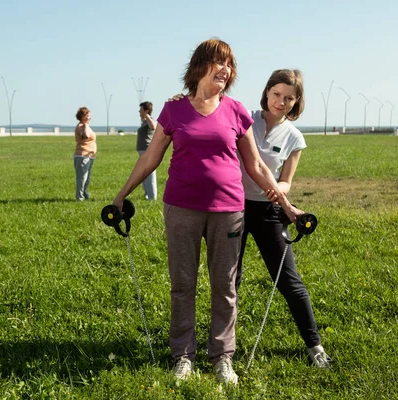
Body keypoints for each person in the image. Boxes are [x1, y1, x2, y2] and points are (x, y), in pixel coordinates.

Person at [111, 38, 302, 385]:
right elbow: (151, 158)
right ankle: (183, 356)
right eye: (219, 62)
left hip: (229, 209)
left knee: (225, 286)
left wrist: (286, 204)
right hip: (181, 208)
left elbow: (257, 167)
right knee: (182, 284)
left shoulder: (236, 110)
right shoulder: (174, 110)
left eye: (229, 64)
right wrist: (121, 194)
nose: (225, 70)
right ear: (200, 66)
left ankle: (222, 357)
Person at [235, 69, 332, 368]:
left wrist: (279, 193)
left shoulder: (294, 137)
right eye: (276, 94)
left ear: (296, 102)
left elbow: (286, 180)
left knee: (289, 281)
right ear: (266, 92)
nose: (281, 101)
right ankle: (223, 344)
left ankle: (314, 346)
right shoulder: (242, 118)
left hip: (270, 211)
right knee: (229, 280)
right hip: (232, 207)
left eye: (288, 98)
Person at [74, 106, 96, 201]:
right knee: (82, 178)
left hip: (89, 156)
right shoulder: (81, 126)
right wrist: (86, 125)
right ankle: (80, 197)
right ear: (83, 117)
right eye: (88, 116)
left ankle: (85, 194)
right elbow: (86, 136)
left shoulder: (85, 126)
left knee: (87, 178)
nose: (90, 118)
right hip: (82, 155)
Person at [136, 101, 157, 200]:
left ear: (146, 110)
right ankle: (147, 194)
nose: (139, 112)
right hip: (142, 151)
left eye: (141, 110)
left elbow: (153, 127)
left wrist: (147, 116)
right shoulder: (144, 122)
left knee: (149, 174)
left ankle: (152, 196)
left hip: (147, 151)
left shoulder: (150, 120)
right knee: (143, 174)